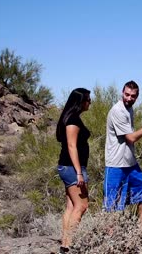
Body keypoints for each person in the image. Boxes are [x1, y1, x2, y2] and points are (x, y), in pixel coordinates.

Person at [103, 80, 142, 226]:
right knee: (112, 200)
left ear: (137, 96)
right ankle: (110, 233)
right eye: (127, 94)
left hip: (129, 161)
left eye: (132, 96)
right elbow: (131, 138)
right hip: (115, 162)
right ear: (122, 92)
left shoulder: (129, 109)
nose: (129, 98)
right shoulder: (118, 111)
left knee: (141, 186)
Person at [56, 88, 91, 253]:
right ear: (80, 102)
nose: (89, 102)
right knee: (82, 205)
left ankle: (65, 244)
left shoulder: (71, 118)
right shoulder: (72, 121)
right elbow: (71, 146)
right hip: (72, 168)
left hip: (68, 167)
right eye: (88, 100)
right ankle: (68, 245)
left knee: (71, 206)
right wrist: (78, 172)